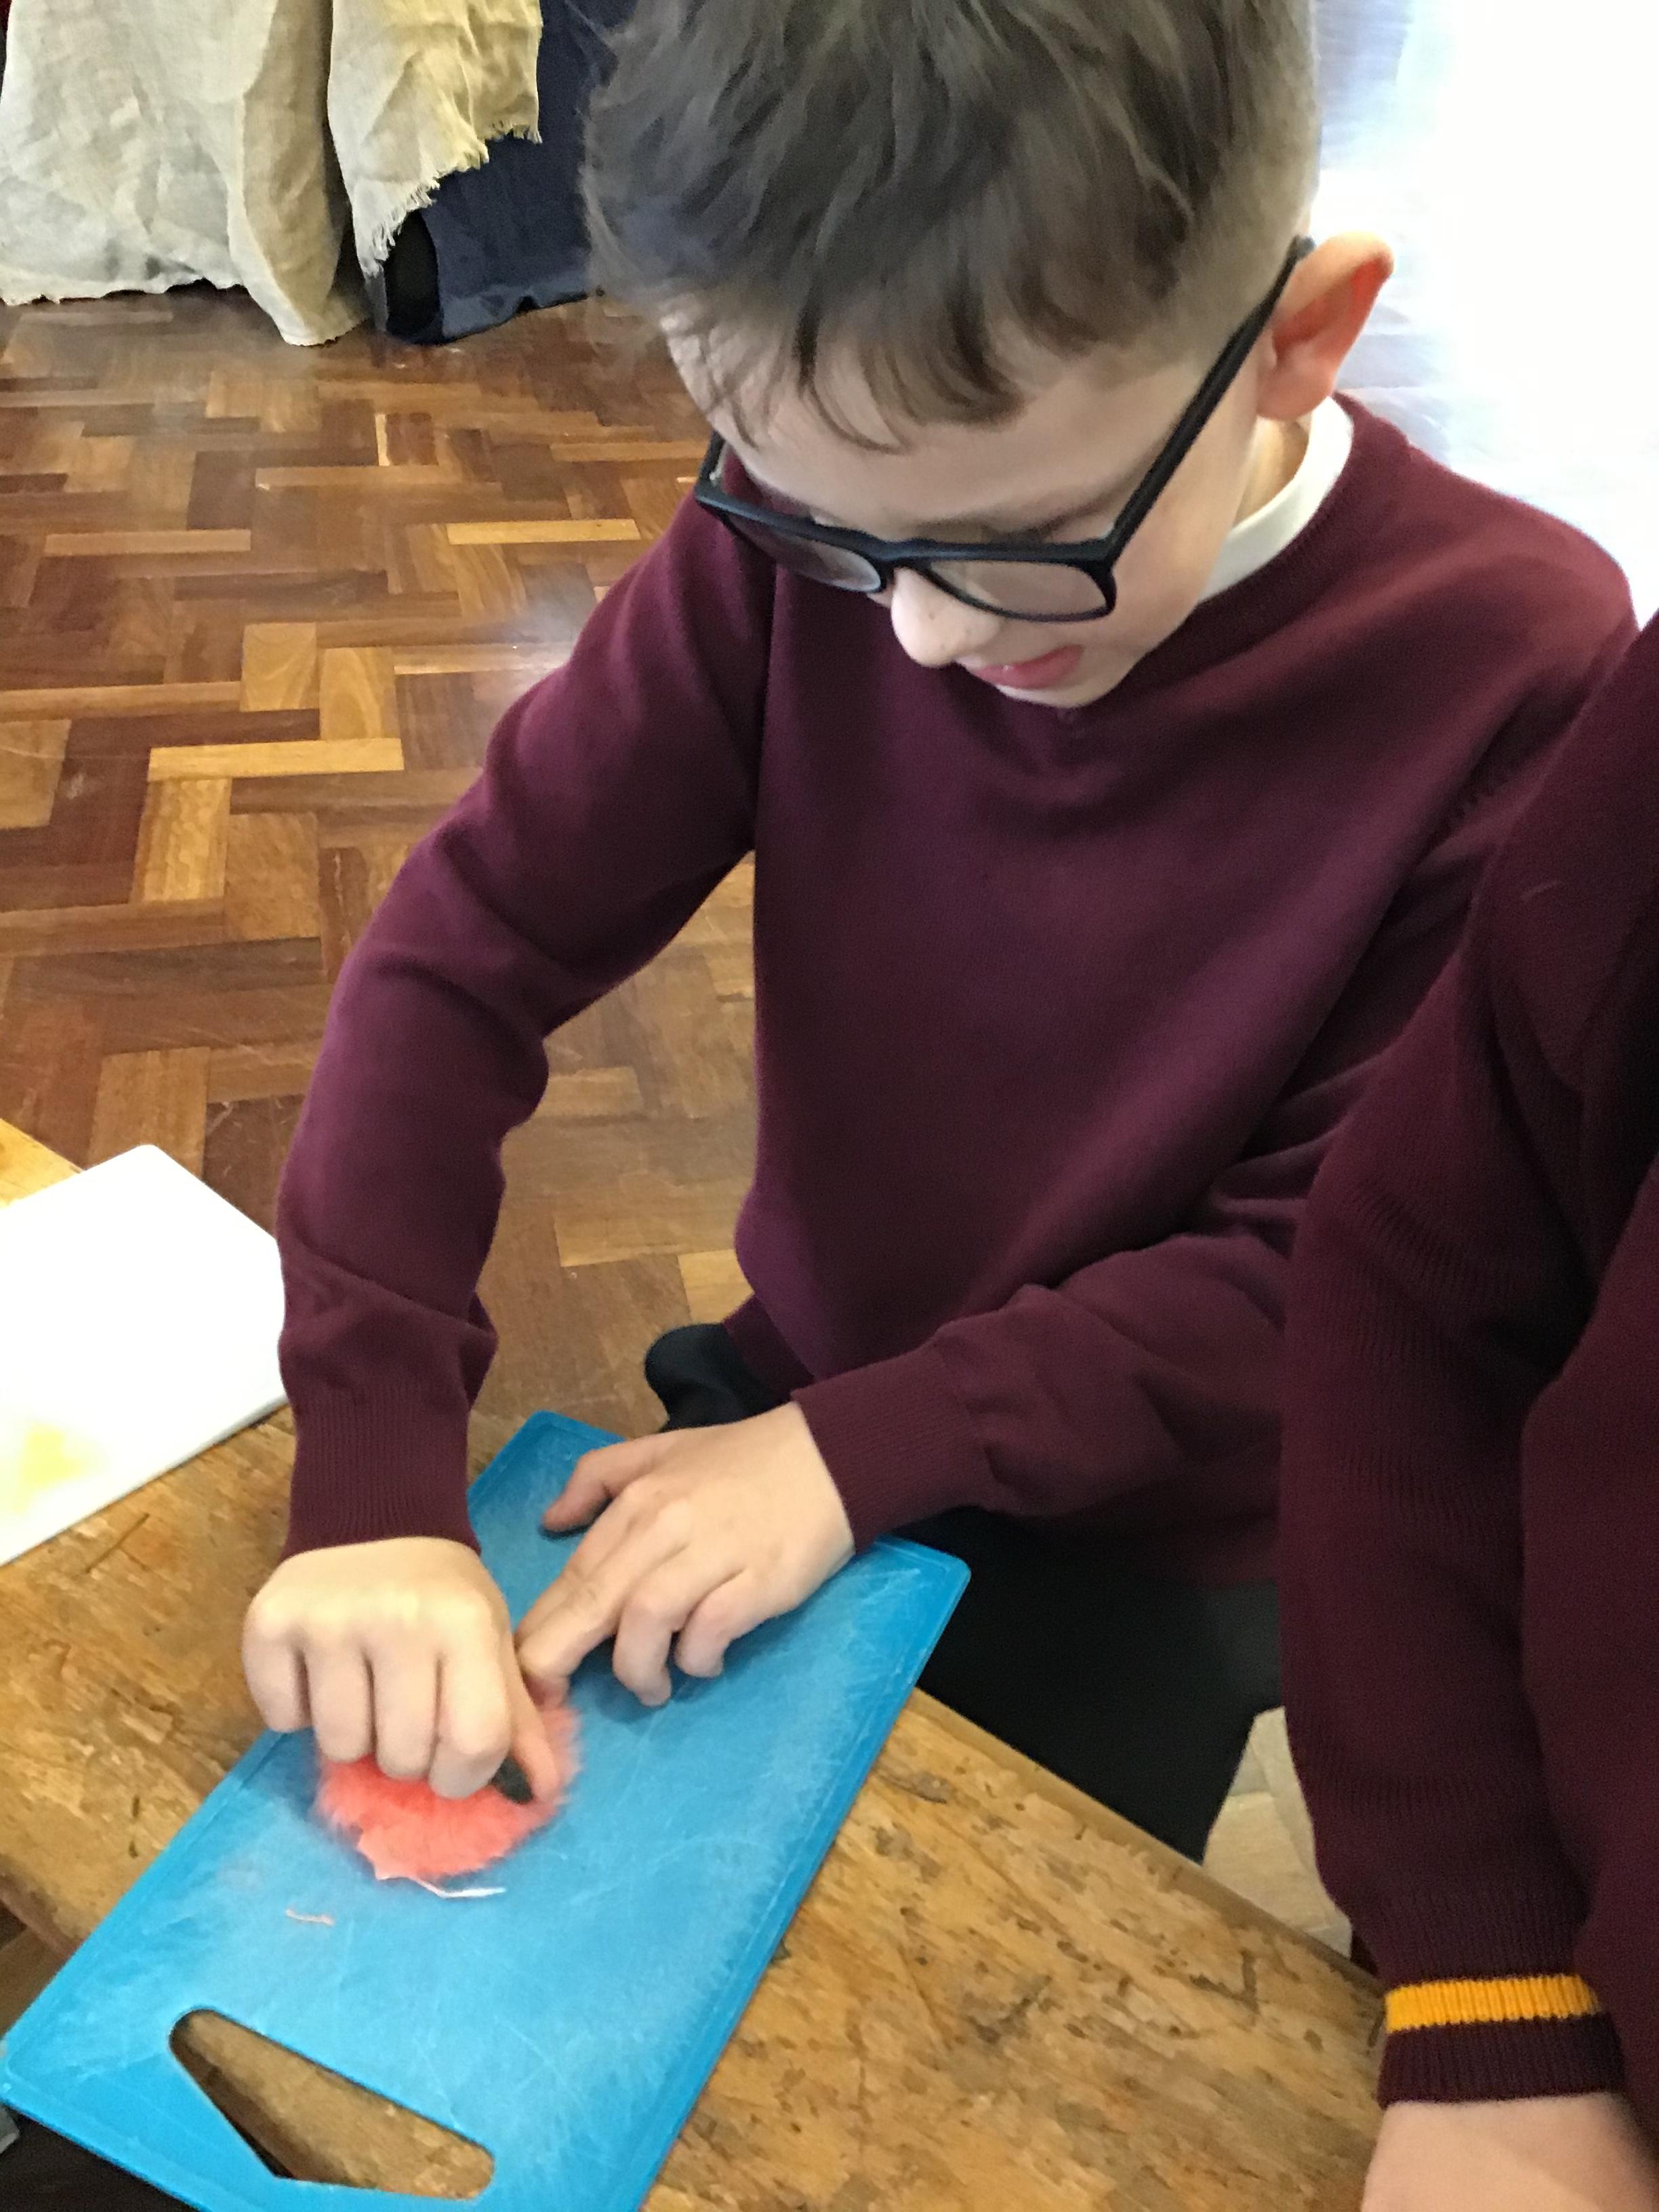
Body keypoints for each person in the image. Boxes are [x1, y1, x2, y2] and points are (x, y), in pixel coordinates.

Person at [241, 0, 1634, 1857]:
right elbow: (464, 948)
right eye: (833, 533)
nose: (921, 636)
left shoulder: (1525, 674)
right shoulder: (804, 534)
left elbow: (1327, 1264)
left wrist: (863, 1455)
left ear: (1300, 339)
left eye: (1027, 545)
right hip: (805, 1383)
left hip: (1165, 1523)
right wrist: (374, 1477)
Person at [1279, 613, 1659, 2208]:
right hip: (1524, 2018)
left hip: (1163, 1498)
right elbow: (1419, 1277)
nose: (924, 639)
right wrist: (1492, 1991)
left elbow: (1274, 1250)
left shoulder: (1507, 641)